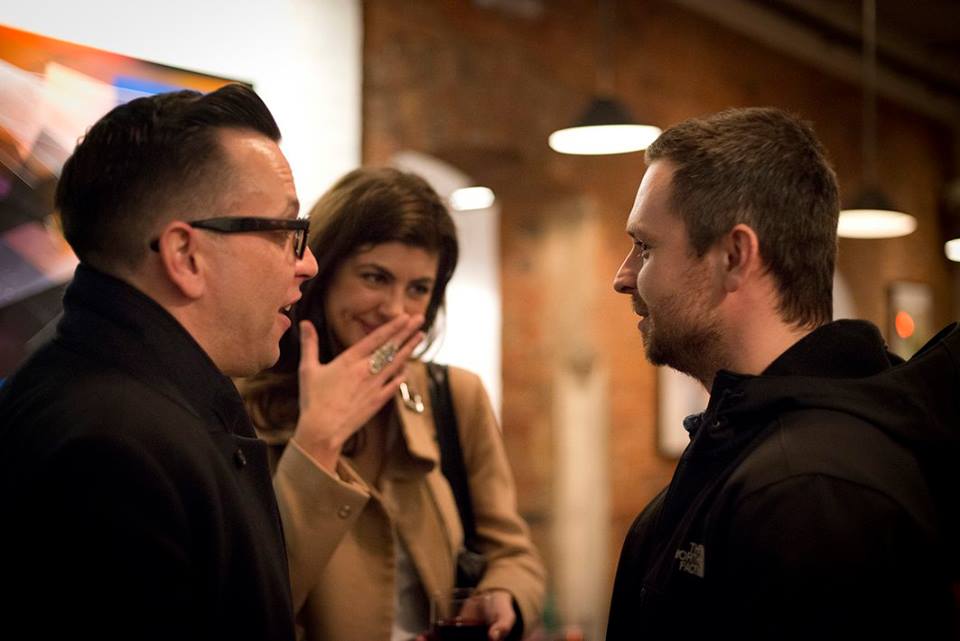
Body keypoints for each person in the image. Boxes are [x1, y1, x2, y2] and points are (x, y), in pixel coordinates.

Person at [0, 85, 421, 641]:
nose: (309, 264)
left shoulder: (123, 388)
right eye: (287, 233)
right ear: (185, 255)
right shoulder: (112, 451)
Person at [608, 107, 956, 639]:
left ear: (734, 256)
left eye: (645, 247)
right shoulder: (762, 454)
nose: (623, 277)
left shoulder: (811, 492)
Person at [241, 167, 545, 641]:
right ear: (325, 271)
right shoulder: (247, 403)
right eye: (375, 277)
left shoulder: (454, 395)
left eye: (418, 289)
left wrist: (504, 593)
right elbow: (250, 600)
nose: (395, 309)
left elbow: (511, 553)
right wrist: (317, 439)